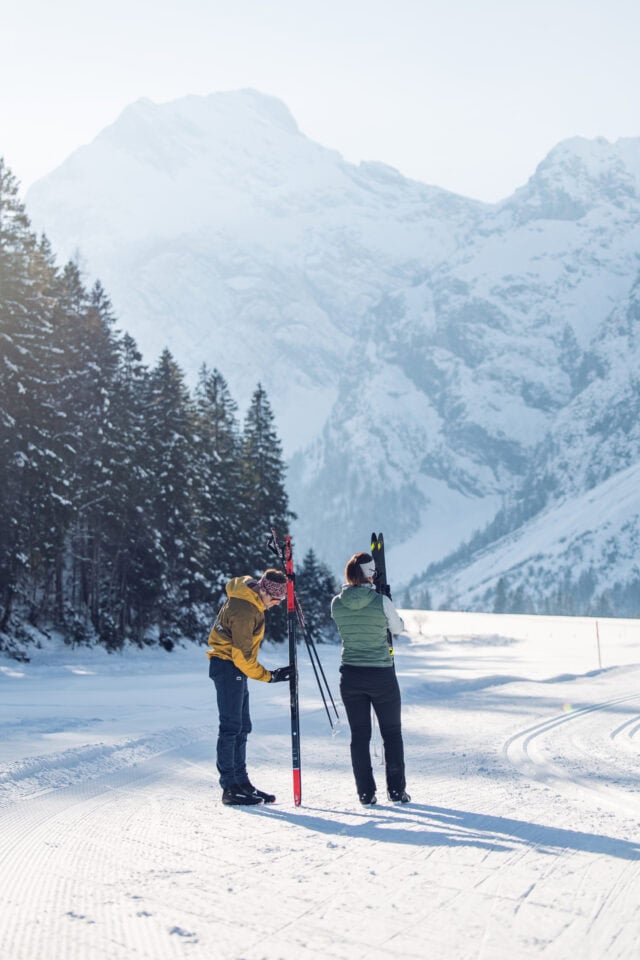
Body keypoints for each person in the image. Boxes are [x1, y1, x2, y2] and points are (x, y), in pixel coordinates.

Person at [331, 551, 411, 806]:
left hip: (350, 674)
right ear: (369, 575)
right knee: (392, 733)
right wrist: (386, 603)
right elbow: (397, 628)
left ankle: (365, 793)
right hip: (381, 674)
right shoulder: (381, 601)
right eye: (373, 572)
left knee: (360, 735)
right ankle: (396, 791)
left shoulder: (336, 603)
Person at [208, 568, 291, 806]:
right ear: (264, 592)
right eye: (276, 599)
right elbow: (242, 657)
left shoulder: (251, 599)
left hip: (233, 667)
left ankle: (242, 782)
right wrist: (270, 677)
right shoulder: (245, 610)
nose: (276, 604)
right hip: (228, 666)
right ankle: (230, 787)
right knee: (232, 726)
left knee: (243, 726)